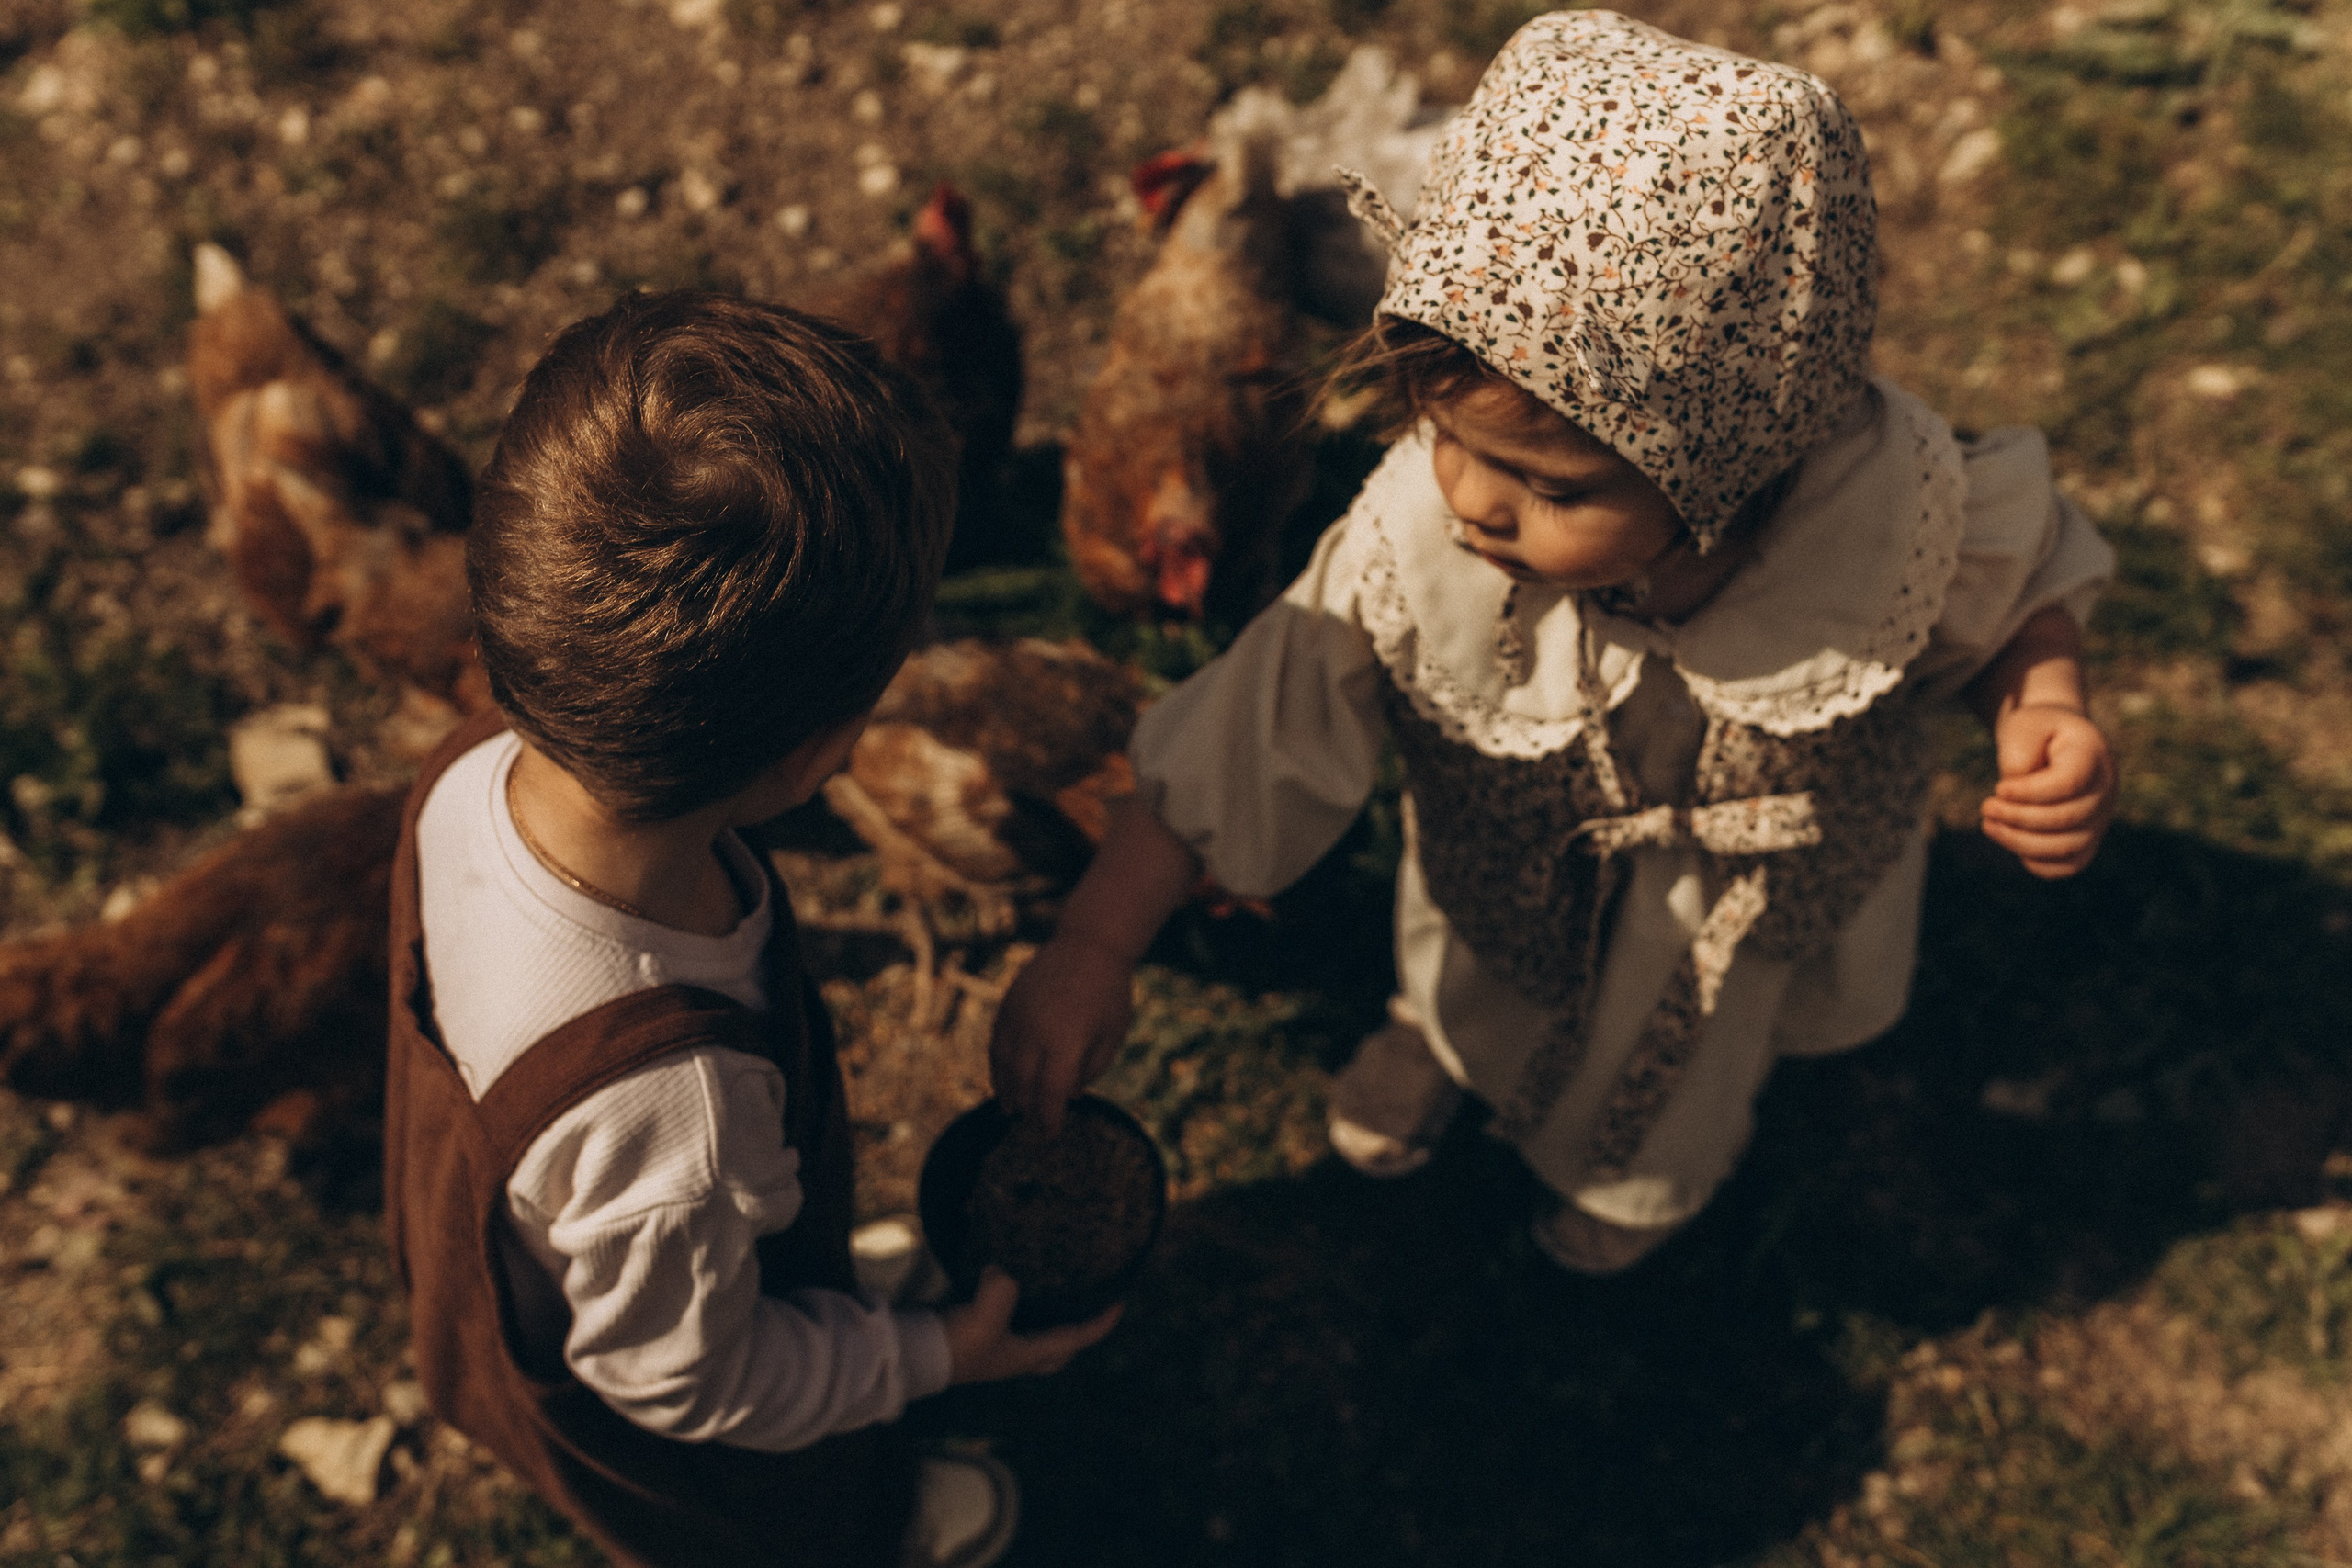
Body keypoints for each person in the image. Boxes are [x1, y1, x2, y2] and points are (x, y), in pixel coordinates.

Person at [990, 12, 2118, 1276]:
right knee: (1477, 980)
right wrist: (1095, 942)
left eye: (1549, 486)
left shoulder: (1878, 524)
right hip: (1505, 884)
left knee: (1691, 1065)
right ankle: (1436, 1037)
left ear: (1728, 473)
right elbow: (1240, 740)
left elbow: (2018, 590)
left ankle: (1636, 1184)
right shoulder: (1422, 540)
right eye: (1445, 434)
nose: (1473, 500)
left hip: (1725, 936)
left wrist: (2041, 704)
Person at [384, 290, 1114, 1568]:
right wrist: (933, 1356)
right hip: (688, 1432)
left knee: (717, 1260)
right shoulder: (675, 1110)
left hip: (596, 1241)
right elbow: (694, 1386)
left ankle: (771, 1278)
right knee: (790, 1509)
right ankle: (878, 1527)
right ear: (819, 756)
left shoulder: (481, 766)